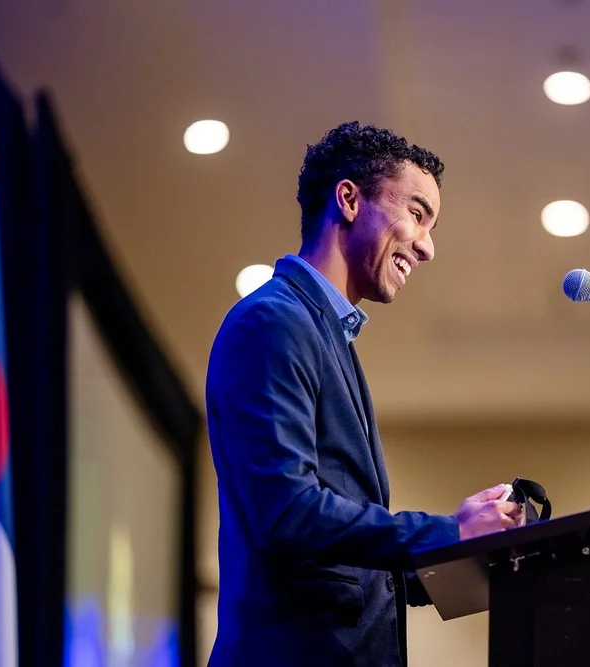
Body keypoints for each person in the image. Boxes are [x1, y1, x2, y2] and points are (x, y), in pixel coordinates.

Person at [205, 121, 520, 667]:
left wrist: (469, 550)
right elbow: (287, 513)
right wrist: (447, 532)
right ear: (349, 199)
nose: (427, 247)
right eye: (417, 215)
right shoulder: (274, 323)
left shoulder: (327, 333)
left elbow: (344, 567)